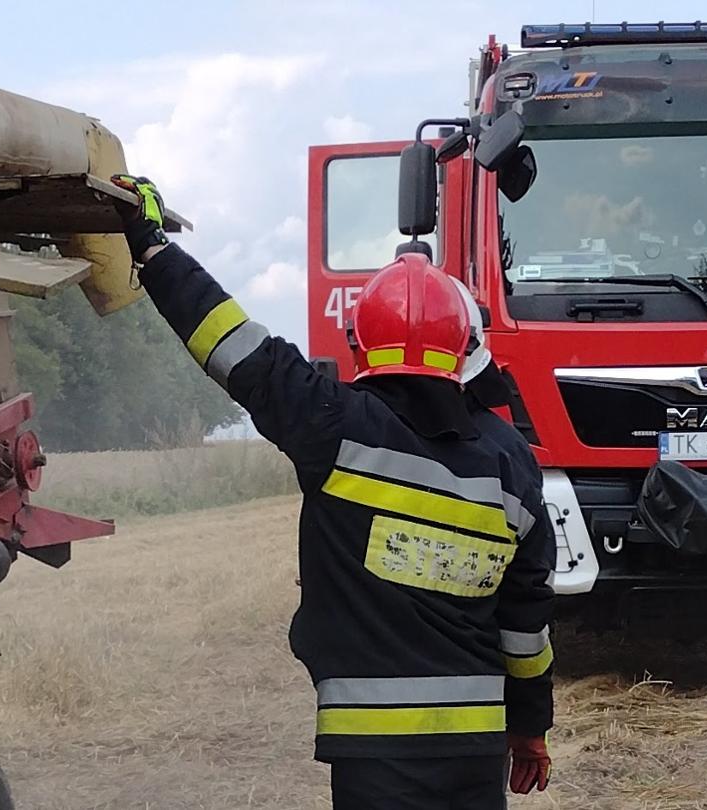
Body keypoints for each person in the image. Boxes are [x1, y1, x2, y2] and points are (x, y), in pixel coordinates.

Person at [109, 176, 555, 809]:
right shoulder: (512, 464)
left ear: (359, 343)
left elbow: (231, 345)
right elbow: (526, 624)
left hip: (371, 752)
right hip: (477, 749)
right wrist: (530, 727)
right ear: (463, 350)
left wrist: (150, 246)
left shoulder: (333, 427)